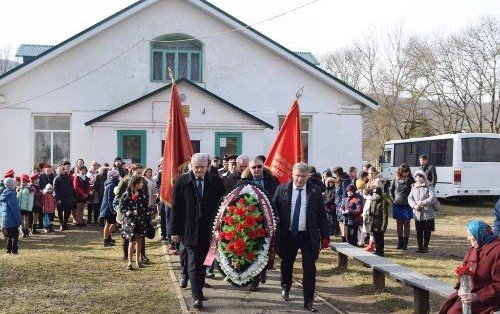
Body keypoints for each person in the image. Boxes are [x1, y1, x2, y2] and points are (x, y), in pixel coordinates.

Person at [170, 153, 225, 310]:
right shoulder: (181, 182)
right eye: (197, 167)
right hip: (190, 230)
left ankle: (198, 289)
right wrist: (174, 231)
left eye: (203, 167)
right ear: (191, 166)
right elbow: (175, 209)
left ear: (207, 166)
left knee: (206, 263)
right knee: (193, 264)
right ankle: (196, 297)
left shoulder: (215, 181)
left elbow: (224, 204)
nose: (200, 170)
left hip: (210, 231)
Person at [273, 162, 329, 313]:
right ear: (292, 175)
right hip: (288, 234)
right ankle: (285, 286)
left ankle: (308, 300)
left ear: (307, 177)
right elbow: (274, 208)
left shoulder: (315, 192)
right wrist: (276, 219)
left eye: (303, 176)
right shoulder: (282, 189)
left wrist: (325, 236)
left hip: (308, 236)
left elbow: (322, 216)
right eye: (297, 176)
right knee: (286, 264)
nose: (300, 179)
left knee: (310, 268)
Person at [438, 221, 499, 314]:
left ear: (479, 234)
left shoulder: (497, 251)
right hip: (469, 295)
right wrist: (461, 288)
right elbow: (463, 272)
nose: (468, 238)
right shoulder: (474, 249)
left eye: (470, 235)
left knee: (454, 312)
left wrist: (477, 296)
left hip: (489, 299)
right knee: (447, 308)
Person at [240, 156, 280, 291]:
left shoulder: (273, 180)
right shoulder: (245, 182)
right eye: (253, 167)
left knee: (266, 248)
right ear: (249, 169)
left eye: (259, 167)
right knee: (253, 249)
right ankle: (254, 279)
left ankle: (262, 271)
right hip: (252, 222)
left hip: (269, 220)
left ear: (263, 167)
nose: (257, 169)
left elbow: (278, 200)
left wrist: (277, 216)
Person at [119, 176, 151, 270]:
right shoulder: (126, 194)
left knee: (139, 240)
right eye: (141, 183)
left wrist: (148, 212)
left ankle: (138, 261)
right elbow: (121, 208)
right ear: (136, 184)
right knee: (131, 241)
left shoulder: (143, 194)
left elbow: (145, 206)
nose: (142, 184)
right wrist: (131, 212)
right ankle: (129, 262)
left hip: (140, 220)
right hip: (130, 222)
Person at [408, 170, 437, 253]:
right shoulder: (413, 186)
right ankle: (419, 246)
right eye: (417, 176)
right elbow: (410, 198)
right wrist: (414, 205)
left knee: (427, 231)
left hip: (428, 212)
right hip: (417, 212)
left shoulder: (429, 185)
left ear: (424, 177)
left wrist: (422, 203)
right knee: (419, 230)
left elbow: (432, 198)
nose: (419, 178)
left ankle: (425, 247)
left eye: (421, 176)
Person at [390, 164, 414, 250]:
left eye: (407, 171)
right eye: (404, 171)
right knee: (399, 223)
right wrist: (393, 199)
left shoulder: (411, 180)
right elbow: (391, 190)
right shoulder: (395, 179)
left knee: (407, 223)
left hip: (408, 204)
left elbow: (414, 191)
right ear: (400, 171)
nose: (406, 173)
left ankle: (405, 244)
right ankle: (400, 243)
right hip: (397, 204)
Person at [1, 178, 22, 254]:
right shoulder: (12, 195)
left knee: (9, 236)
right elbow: (15, 210)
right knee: (15, 235)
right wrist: (19, 220)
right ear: (12, 185)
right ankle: (14, 250)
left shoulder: (4, 194)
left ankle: (8, 249)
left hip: (6, 220)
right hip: (12, 220)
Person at [99, 169, 120, 247]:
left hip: (110, 208)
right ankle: (105, 240)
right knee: (108, 224)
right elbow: (110, 199)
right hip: (108, 208)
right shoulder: (111, 185)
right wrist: (113, 209)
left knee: (114, 222)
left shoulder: (113, 183)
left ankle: (109, 237)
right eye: (116, 176)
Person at [53, 165, 75, 231]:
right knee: (60, 211)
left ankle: (65, 224)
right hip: (60, 197)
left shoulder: (68, 178)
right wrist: (58, 198)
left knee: (67, 212)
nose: (62, 171)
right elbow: (55, 189)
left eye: (63, 170)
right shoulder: (57, 178)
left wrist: (72, 196)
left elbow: (71, 187)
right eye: (60, 170)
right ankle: (61, 224)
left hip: (68, 198)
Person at [369, 187, 388, 256]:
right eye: (374, 194)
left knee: (380, 238)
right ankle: (377, 250)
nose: (375, 195)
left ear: (380, 194)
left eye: (376, 194)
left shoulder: (383, 202)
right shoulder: (373, 202)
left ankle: (381, 251)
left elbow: (385, 216)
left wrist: (383, 226)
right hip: (373, 223)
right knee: (375, 237)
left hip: (380, 224)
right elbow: (370, 212)